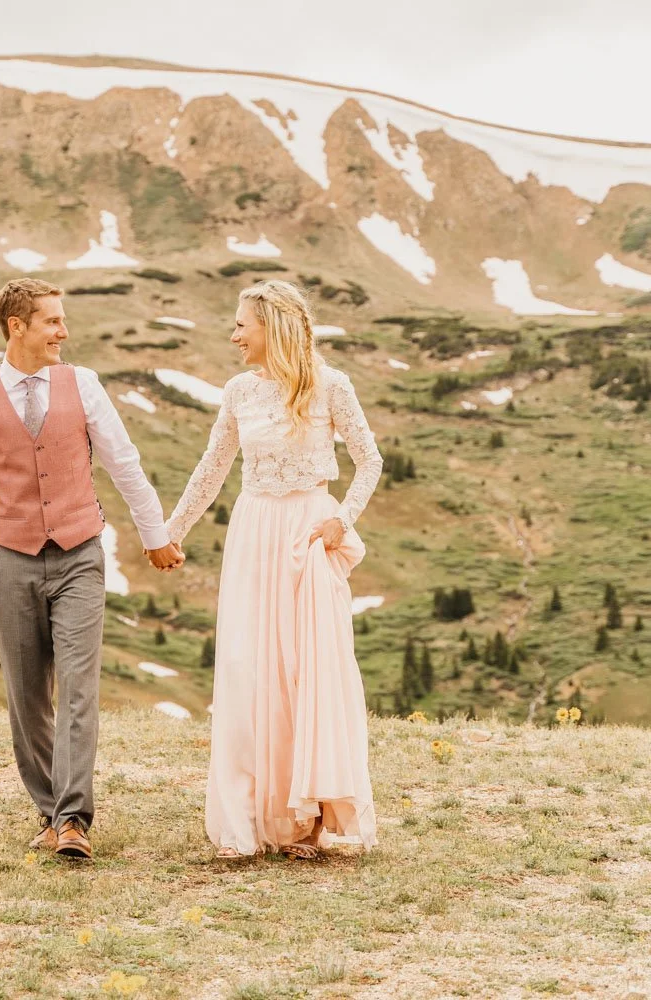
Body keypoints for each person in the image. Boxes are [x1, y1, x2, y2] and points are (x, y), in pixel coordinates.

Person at [0, 277, 184, 860]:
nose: (63, 332)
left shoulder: (84, 385)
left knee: (77, 689)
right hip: (14, 561)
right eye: (51, 321)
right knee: (26, 697)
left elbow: (125, 463)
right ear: (16, 327)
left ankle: (73, 820)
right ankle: (50, 810)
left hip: (80, 555)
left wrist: (156, 536)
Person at [164, 279, 382, 859]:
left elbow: (369, 460)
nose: (233, 334)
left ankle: (306, 818)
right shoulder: (238, 391)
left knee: (307, 668)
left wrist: (341, 522)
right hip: (255, 530)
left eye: (242, 325)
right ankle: (254, 815)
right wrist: (172, 531)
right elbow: (212, 467)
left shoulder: (331, 385)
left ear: (273, 328)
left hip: (310, 533)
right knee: (248, 666)